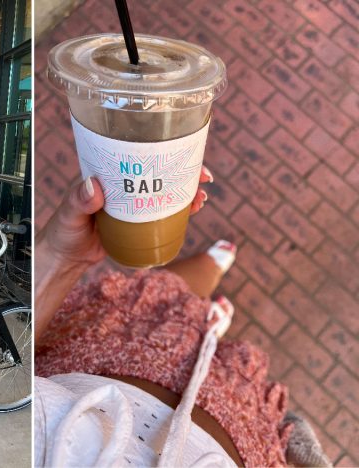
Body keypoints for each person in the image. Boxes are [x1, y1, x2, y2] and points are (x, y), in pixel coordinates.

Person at [35, 172, 331, 467]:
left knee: (163, 306)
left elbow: (13, 360)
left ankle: (206, 293)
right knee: (176, 317)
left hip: (107, 361)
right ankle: (209, 323)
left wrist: (62, 258)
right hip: (241, 430)